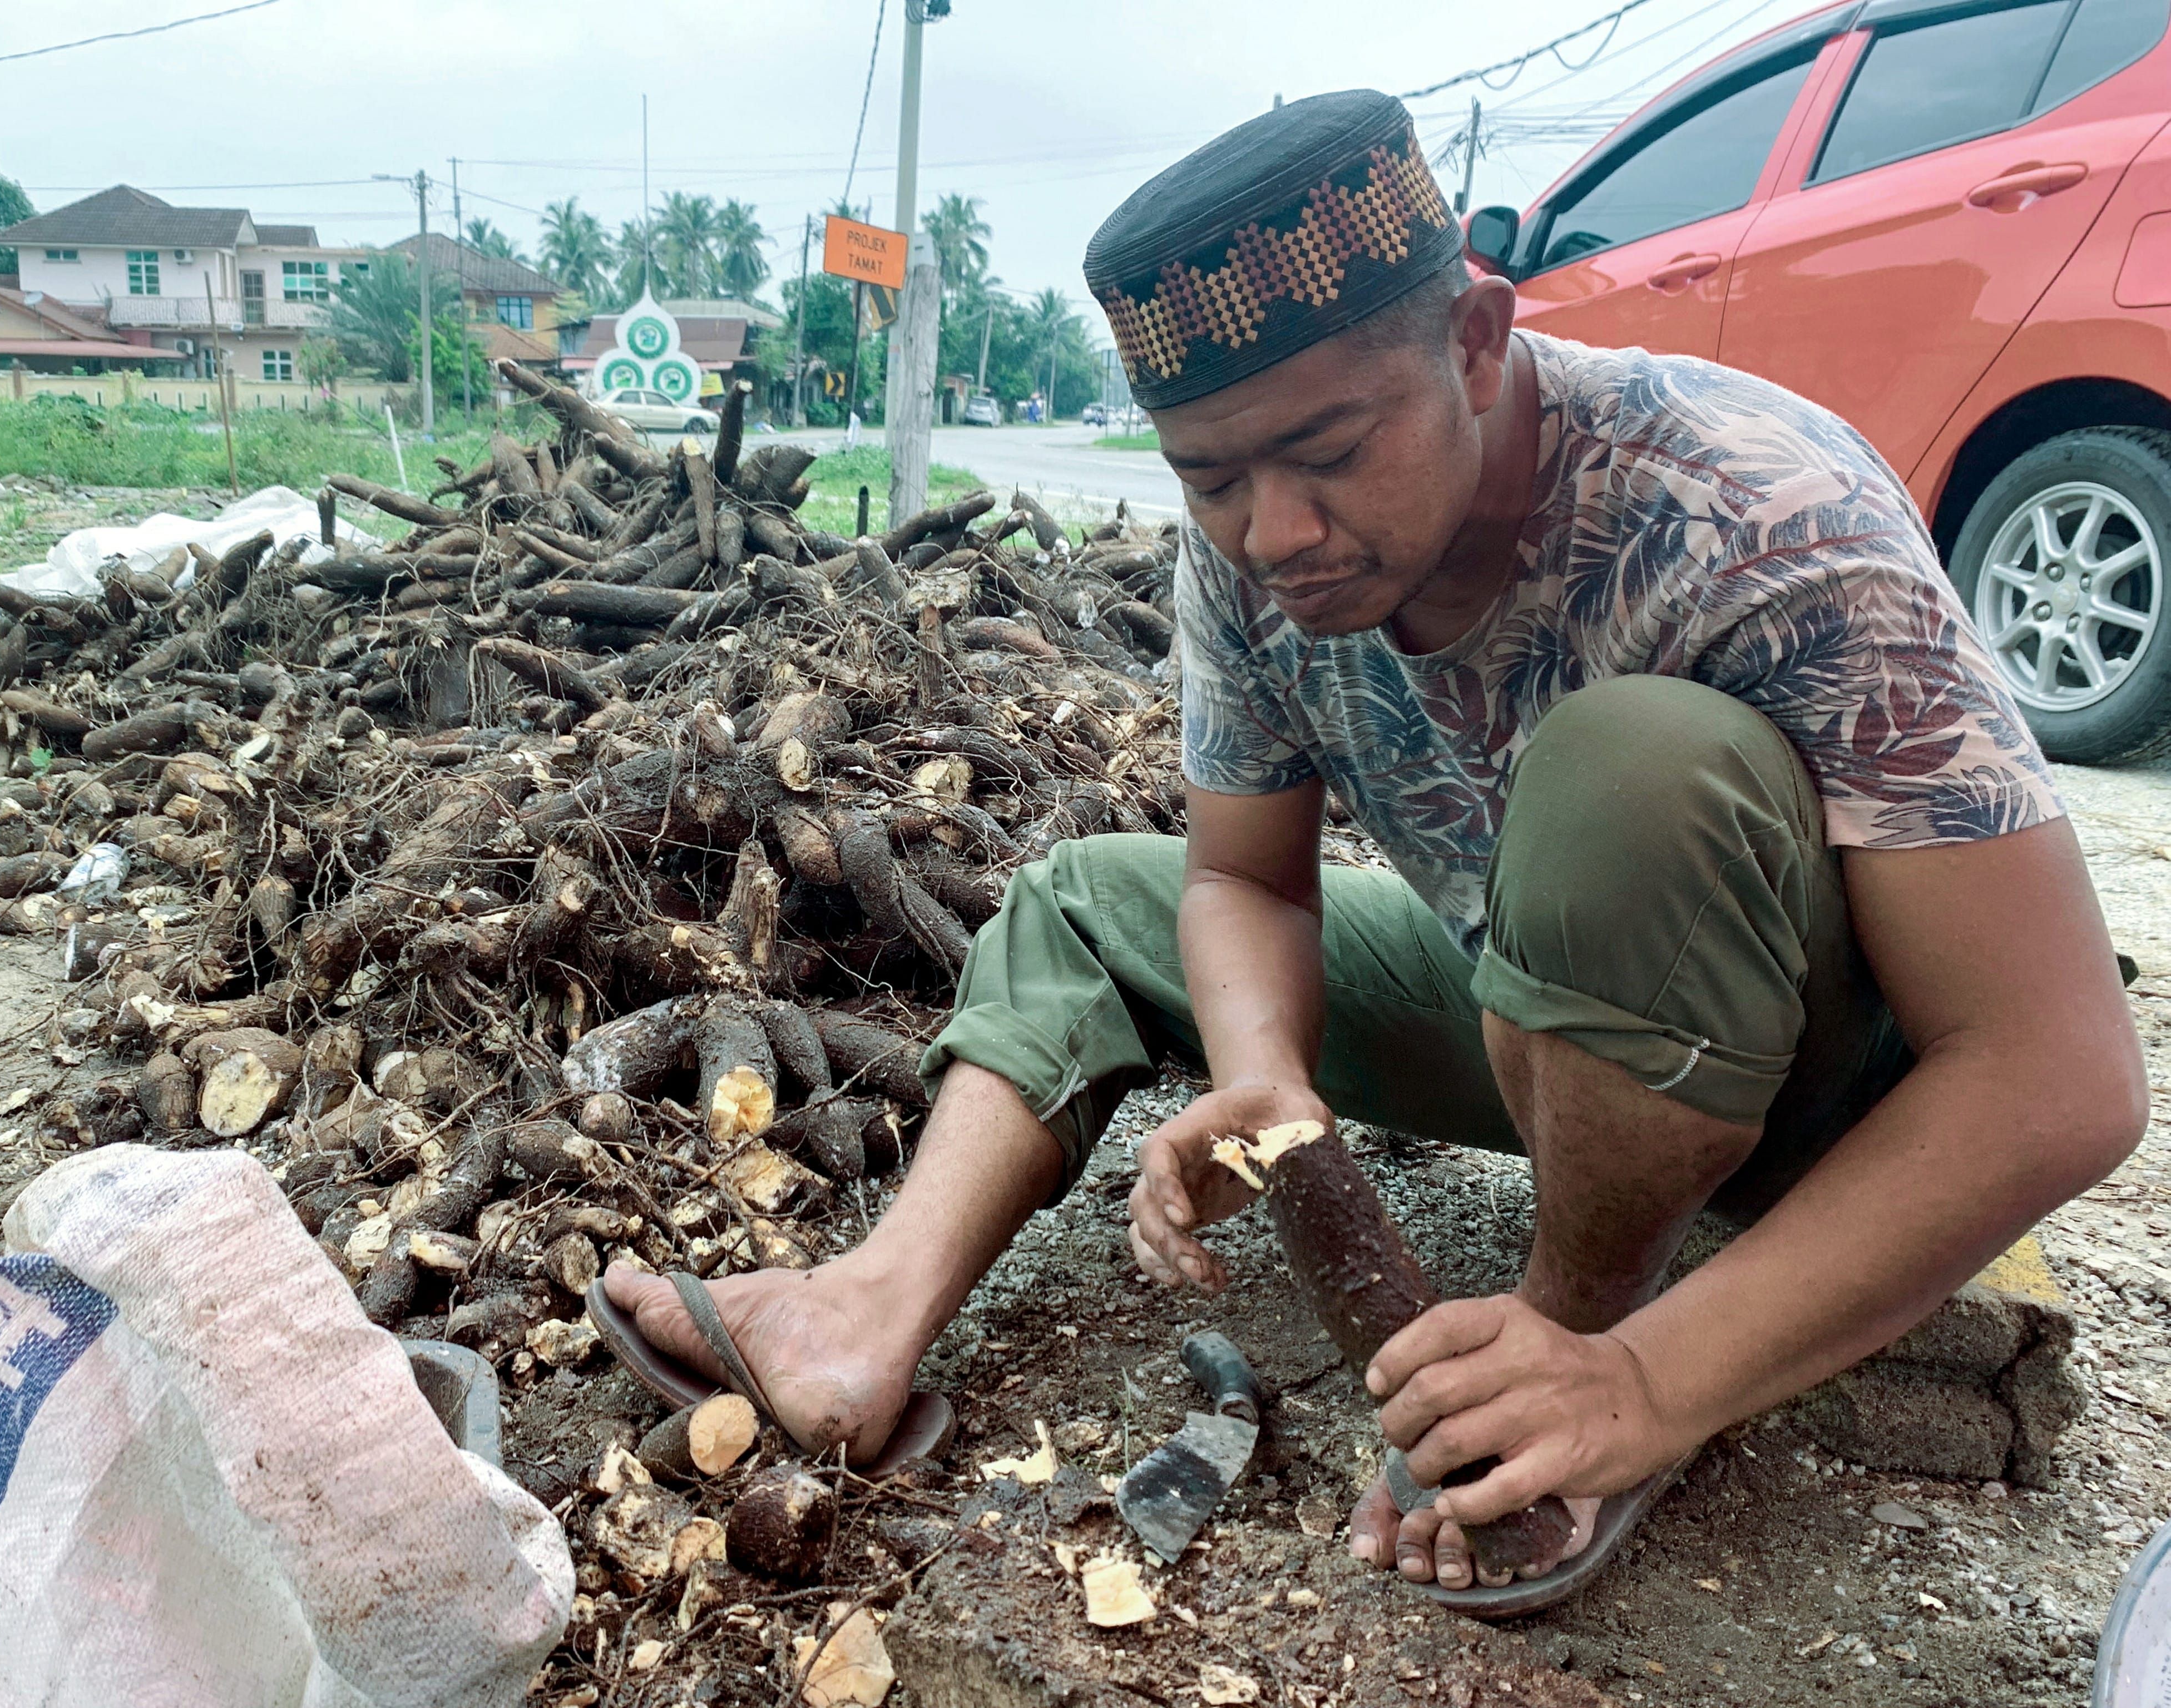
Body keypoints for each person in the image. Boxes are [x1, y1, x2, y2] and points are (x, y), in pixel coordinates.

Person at [599, 91, 2146, 1608]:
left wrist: (1644, 1378)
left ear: (1476, 340)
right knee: (1088, 899)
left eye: (1329, 450)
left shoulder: (1758, 519)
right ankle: (863, 1318)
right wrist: (1263, 1071)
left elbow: (2054, 1076)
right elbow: (1238, 881)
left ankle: (1569, 1361)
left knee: (1627, 776)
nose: (1275, 532)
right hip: (1545, 1004)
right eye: (1213, 478)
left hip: (1822, 1084)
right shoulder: (1259, 549)